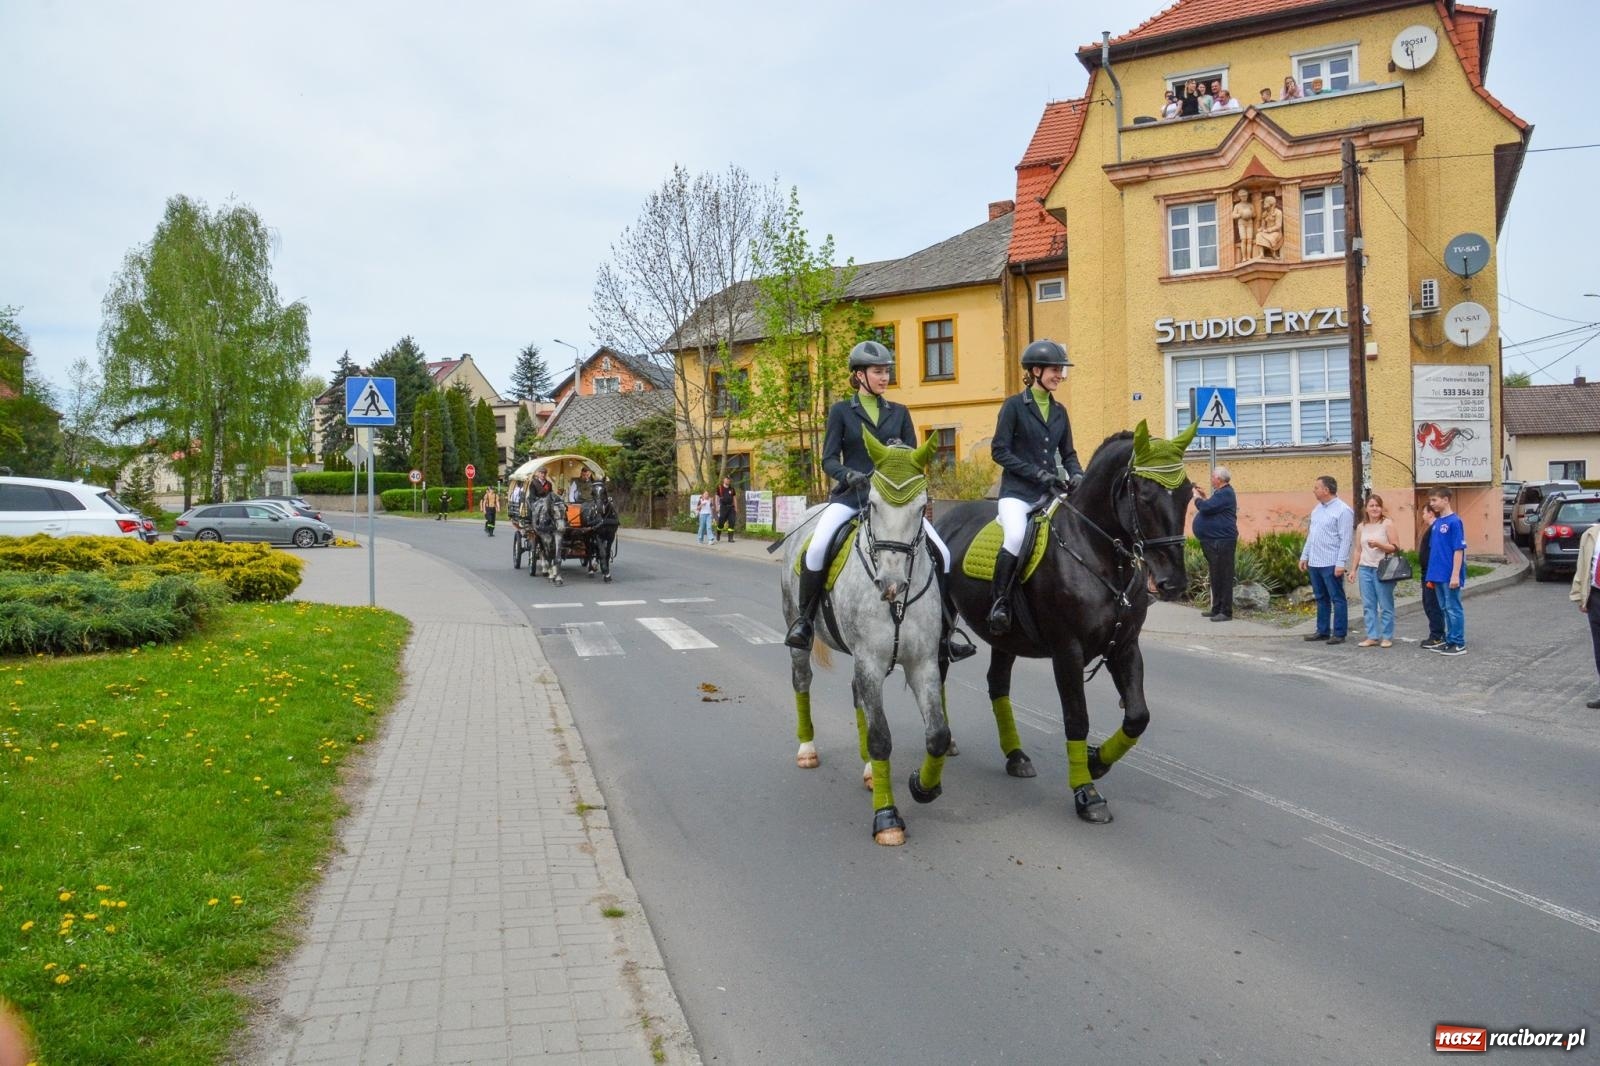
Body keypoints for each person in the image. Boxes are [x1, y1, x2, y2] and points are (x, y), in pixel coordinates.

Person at [785, 340, 973, 663]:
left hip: (892, 505)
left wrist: (902, 453)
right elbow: (828, 460)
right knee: (816, 549)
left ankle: (945, 632)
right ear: (859, 375)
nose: (884, 377)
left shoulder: (899, 412)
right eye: (877, 371)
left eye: (887, 371)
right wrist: (847, 475)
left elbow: (915, 460)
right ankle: (804, 621)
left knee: (942, 552)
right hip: (851, 499)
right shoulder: (842, 412)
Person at [987, 338, 1083, 636]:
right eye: (1055, 370)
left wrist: (1078, 474)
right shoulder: (1014, 406)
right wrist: (1037, 475)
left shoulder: (1060, 411)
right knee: (1015, 536)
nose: (1059, 375)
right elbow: (999, 451)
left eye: (1061, 370)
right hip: (1017, 494)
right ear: (1036, 370)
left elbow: (1068, 453)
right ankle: (1000, 603)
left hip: (1050, 493)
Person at [1297, 475, 1354, 643]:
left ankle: (1339, 632)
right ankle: (1322, 630)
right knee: (1321, 597)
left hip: (1331, 562)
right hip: (1315, 561)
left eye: (1316, 488)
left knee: (1337, 597)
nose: (1314, 491)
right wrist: (1304, 555)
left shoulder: (1343, 510)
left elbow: (1346, 539)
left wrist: (1341, 563)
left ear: (1326, 490)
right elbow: (1311, 535)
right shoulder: (1317, 509)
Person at [1350, 493, 1398, 647]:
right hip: (1365, 569)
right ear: (1366, 508)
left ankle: (1387, 636)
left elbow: (1395, 547)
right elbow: (1358, 550)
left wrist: (1379, 545)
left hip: (1382, 569)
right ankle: (1372, 636)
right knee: (1368, 605)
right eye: (1371, 505)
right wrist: (1353, 570)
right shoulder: (1361, 526)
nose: (1375, 508)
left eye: (1377, 505)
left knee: (1385, 604)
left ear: (1381, 508)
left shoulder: (1387, 524)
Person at [1191, 466, 1238, 621]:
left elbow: (1205, 508)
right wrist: (1204, 497)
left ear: (1219, 479)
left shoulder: (1226, 493)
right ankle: (1216, 608)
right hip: (1214, 541)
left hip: (1223, 541)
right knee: (1216, 575)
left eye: (1212, 477)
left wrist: (1197, 497)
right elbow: (1211, 507)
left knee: (1224, 576)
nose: (1211, 479)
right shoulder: (1219, 494)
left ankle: (1226, 612)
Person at [1425, 487, 1467, 654]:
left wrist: (1455, 574)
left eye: (1434, 500)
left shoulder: (1454, 522)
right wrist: (1431, 575)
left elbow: (1458, 549)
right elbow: (1435, 550)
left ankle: (1459, 642)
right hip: (1437, 574)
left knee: (1453, 607)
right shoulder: (1437, 523)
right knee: (1443, 608)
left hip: (1449, 574)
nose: (1432, 504)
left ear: (1446, 500)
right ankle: (1449, 639)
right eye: (1431, 500)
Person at [1570, 519, 1600, 707]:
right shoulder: (1591, 535)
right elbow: (1582, 567)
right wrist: (1581, 596)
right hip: (1595, 595)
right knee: (1599, 647)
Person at [1417, 496, 1447, 649]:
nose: (1422, 516)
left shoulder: (1434, 529)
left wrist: (1431, 575)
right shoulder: (1431, 529)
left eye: (1423, 513)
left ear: (1430, 513)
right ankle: (1438, 633)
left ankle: (1437, 635)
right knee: (1429, 603)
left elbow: (1434, 553)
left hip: (1431, 573)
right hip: (1427, 572)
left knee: (1432, 604)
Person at [1254, 193, 1284, 259]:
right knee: (1258, 235)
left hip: (1276, 232)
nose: (1264, 204)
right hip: (1267, 232)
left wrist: (1268, 230)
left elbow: (1278, 226)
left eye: (1265, 202)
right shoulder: (1264, 214)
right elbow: (1263, 226)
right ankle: (1261, 254)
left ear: (1271, 204)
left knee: (1272, 237)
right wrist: (1261, 229)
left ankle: (1274, 254)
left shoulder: (1278, 212)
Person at [1231, 189, 1256, 262]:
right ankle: (1244, 257)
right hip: (1241, 223)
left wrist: (1250, 214)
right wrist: (1240, 214)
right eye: (1242, 196)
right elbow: (1233, 215)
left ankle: (1249, 257)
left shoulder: (1250, 205)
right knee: (1243, 239)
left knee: (1249, 240)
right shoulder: (1237, 206)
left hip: (1249, 222)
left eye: (1245, 196)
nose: (1244, 197)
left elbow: (1255, 214)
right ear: (1240, 197)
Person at [715, 475, 738, 542]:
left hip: (731, 507)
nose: (728, 480)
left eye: (729, 479)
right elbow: (716, 497)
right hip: (723, 507)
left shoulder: (732, 489)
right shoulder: (719, 487)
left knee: (732, 521)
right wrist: (717, 506)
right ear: (724, 480)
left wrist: (736, 507)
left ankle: (730, 538)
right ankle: (718, 533)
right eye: (726, 479)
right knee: (721, 522)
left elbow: (734, 498)